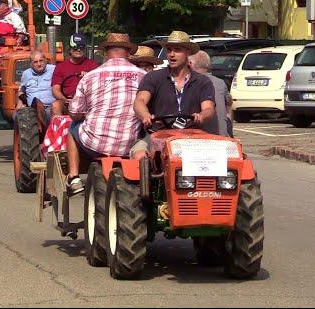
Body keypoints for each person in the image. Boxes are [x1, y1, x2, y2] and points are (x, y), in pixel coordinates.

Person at [65, 33, 145, 195]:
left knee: (72, 127)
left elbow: (74, 112)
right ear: (129, 53)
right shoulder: (143, 76)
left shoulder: (90, 76)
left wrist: (86, 114)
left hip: (95, 144)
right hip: (130, 145)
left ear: (106, 52)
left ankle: (74, 177)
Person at [132, 30, 216, 161]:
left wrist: (201, 116)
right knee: (139, 156)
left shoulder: (202, 81)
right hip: (157, 134)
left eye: (177, 50)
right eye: (169, 50)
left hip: (192, 136)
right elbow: (140, 101)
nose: (171, 54)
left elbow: (209, 109)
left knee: (219, 157)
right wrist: (145, 115)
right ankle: (147, 181)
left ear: (188, 52)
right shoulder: (153, 77)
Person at [51, 33, 99, 116]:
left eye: (81, 47)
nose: (78, 50)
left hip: (87, 103)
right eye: (75, 47)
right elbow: (55, 90)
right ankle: (59, 128)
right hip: (67, 102)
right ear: (69, 49)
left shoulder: (93, 66)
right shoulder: (61, 66)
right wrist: (65, 99)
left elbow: (100, 86)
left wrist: (88, 78)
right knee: (55, 106)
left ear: (85, 49)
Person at [188, 49, 230, 136]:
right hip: (223, 137)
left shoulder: (191, 83)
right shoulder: (220, 83)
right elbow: (229, 104)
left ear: (190, 64)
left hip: (200, 139)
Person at [16, 50, 56, 123]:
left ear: (45, 61)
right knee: (16, 115)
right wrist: (19, 105)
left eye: (41, 61)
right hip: (32, 108)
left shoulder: (54, 69)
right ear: (31, 64)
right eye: (35, 62)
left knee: (48, 114)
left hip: (50, 106)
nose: (39, 64)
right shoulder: (26, 74)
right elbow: (21, 91)